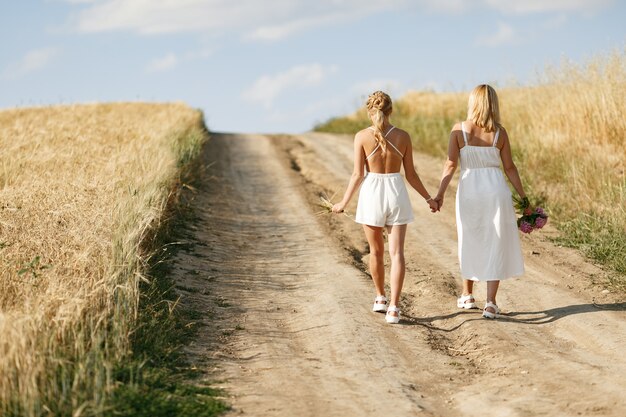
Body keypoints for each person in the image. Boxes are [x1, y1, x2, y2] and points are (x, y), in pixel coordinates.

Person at [332, 91, 438, 324]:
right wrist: (429, 198)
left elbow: (358, 174)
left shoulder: (361, 136)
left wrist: (343, 202)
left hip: (372, 193)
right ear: (390, 111)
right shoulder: (403, 136)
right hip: (396, 192)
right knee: (397, 253)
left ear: (369, 111)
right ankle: (394, 307)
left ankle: (380, 296)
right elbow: (410, 174)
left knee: (376, 251)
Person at [434, 84, 525, 319]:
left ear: (472, 102)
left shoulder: (459, 130)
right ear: (493, 104)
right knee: (495, 241)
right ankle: (491, 303)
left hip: (470, 191)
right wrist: (524, 198)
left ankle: (467, 294)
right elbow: (510, 168)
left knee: (469, 238)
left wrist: (440, 194)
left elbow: (450, 165)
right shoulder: (499, 133)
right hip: (496, 190)